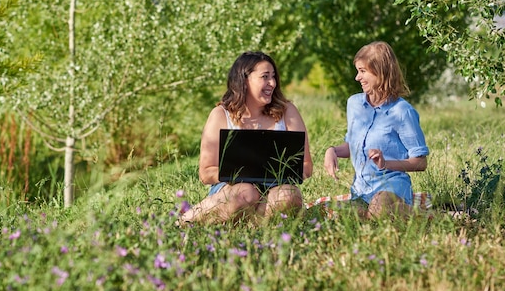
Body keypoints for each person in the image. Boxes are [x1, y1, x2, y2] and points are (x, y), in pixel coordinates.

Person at [179, 51, 313, 225]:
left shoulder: (287, 111)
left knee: (288, 195)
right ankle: (187, 220)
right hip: (231, 189)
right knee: (246, 193)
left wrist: (286, 173)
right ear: (244, 80)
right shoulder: (220, 115)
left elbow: (307, 166)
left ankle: (251, 228)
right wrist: (245, 173)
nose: (272, 83)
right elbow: (206, 173)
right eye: (265, 77)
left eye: (273, 77)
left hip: (275, 187)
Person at [324, 41, 429, 219]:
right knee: (337, 215)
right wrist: (331, 151)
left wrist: (385, 163)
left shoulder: (402, 111)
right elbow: (353, 146)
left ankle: (432, 218)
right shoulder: (354, 104)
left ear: (380, 72)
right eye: (358, 71)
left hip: (392, 188)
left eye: (363, 71)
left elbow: (420, 162)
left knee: (379, 208)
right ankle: (376, 216)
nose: (357, 77)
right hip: (361, 190)